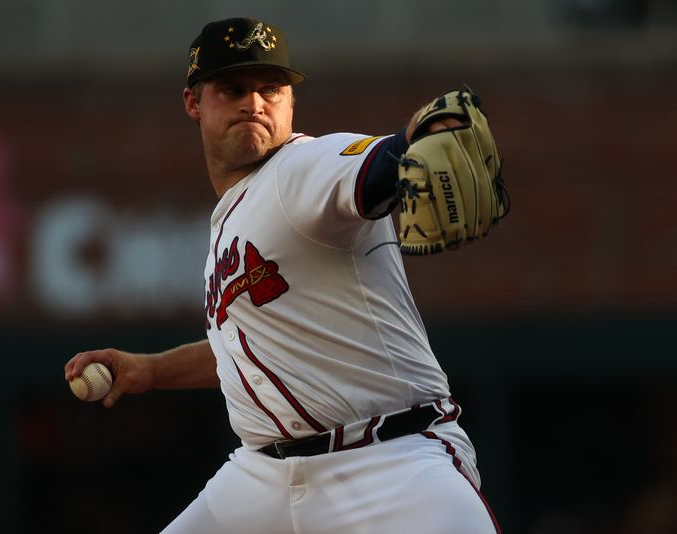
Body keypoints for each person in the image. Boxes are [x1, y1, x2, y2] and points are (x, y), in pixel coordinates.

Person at [65, 17, 501, 533]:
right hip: (263, 478)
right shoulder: (231, 219)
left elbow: (375, 163)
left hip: (390, 465)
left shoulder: (299, 169)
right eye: (232, 89)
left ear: (291, 102)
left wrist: (416, 137)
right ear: (193, 103)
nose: (254, 102)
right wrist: (150, 370)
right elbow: (250, 348)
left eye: (270, 88)